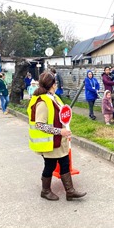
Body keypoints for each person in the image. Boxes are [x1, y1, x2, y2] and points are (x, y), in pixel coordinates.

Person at [27, 71, 86, 201]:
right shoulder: (42, 101)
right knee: (50, 166)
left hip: (59, 140)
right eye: (55, 82)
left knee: (65, 163)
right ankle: (45, 191)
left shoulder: (54, 98)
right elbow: (39, 125)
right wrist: (60, 132)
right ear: (53, 84)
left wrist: (66, 130)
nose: (57, 84)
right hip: (50, 142)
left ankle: (70, 192)